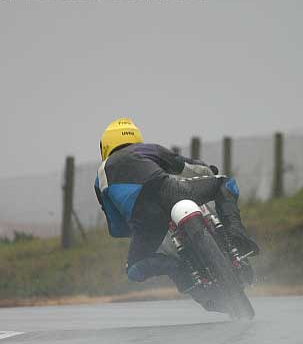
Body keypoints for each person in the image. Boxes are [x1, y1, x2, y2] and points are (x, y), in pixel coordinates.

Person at [95, 118, 259, 302]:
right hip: (171, 193)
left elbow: (116, 228)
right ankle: (236, 235)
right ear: (136, 138)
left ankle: (180, 271)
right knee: (225, 183)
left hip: (145, 221)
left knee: (134, 269)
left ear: (106, 145)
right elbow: (190, 167)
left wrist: (138, 230)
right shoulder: (147, 149)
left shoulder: (101, 175)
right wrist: (209, 171)